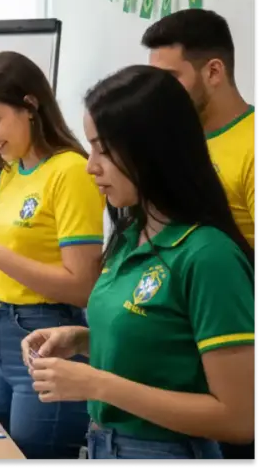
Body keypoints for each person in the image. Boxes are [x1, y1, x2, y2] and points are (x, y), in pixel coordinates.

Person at [23, 66, 255, 460]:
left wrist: (97, 385)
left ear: (153, 150)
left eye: (104, 150)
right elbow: (166, 348)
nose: (90, 166)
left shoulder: (208, 255)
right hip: (105, 441)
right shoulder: (132, 234)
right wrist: (84, 340)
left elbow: (237, 418)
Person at [0, 51, 105, 459]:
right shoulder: (13, 170)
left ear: (30, 106)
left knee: (34, 450)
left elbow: (82, 286)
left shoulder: (69, 171)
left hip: (47, 332)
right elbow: (12, 266)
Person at [141, 9, 254, 249]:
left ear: (213, 72)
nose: (158, 91)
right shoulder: (169, 140)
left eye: (170, 78)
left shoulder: (250, 146)